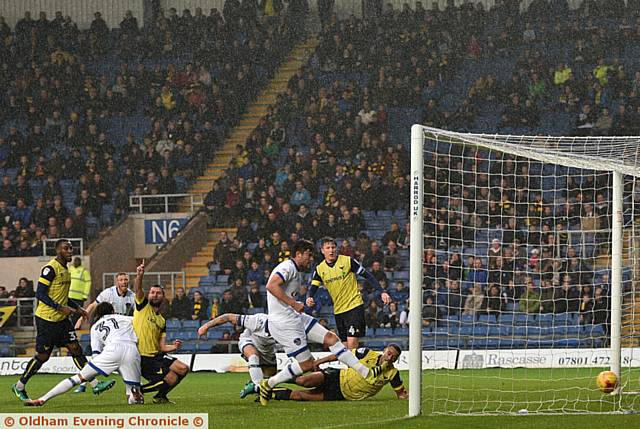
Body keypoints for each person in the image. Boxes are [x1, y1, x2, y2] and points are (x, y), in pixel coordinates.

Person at [258, 240, 380, 406]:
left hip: (295, 317)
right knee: (307, 365)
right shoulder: (287, 267)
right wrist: (294, 303)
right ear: (299, 254)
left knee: (331, 338)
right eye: (308, 255)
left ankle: (365, 372)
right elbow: (271, 286)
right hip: (285, 323)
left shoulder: (295, 269)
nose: (310, 259)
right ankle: (269, 383)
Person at [12, 239, 113, 401]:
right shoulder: (50, 269)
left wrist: (78, 308)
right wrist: (59, 307)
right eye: (66, 248)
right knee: (43, 357)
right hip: (46, 320)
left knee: (75, 349)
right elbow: (40, 294)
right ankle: (19, 386)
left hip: (62, 320)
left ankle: (95, 384)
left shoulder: (66, 270)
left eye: (71, 248)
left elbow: (63, 296)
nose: (70, 251)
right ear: (58, 251)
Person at [25, 302, 143, 406]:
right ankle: (134, 394)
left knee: (77, 378)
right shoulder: (125, 318)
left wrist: (102, 367)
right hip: (131, 349)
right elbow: (141, 324)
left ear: (98, 314)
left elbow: (96, 354)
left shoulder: (95, 327)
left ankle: (43, 399)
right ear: (112, 311)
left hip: (111, 350)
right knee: (132, 389)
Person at [307, 237, 391, 349]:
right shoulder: (319, 269)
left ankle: (354, 366)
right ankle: (355, 364)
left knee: (352, 344)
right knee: (344, 346)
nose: (331, 250)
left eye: (333, 247)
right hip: (338, 310)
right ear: (322, 250)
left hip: (354, 306)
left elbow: (368, 275)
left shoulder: (347, 261)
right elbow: (313, 287)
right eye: (328, 248)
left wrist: (382, 292)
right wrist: (309, 297)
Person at [133, 260, 189, 404]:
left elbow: (162, 346)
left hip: (157, 355)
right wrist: (139, 275)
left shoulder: (162, 320)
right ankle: (138, 391)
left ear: (163, 297)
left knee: (183, 369)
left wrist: (174, 347)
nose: (155, 295)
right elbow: (138, 289)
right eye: (152, 292)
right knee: (171, 378)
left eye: (158, 293)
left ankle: (160, 396)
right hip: (144, 357)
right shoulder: (143, 307)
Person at [272, 344, 407, 402]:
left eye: (393, 357)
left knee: (299, 396)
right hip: (337, 377)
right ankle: (272, 379)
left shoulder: (393, 374)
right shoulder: (367, 353)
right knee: (303, 381)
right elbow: (343, 355)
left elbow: (401, 394)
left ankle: (270, 393)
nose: (389, 358)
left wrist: (409, 398)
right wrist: (320, 361)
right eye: (389, 353)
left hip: (342, 395)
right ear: (384, 350)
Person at [67, 257, 92, 327]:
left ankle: (76, 329)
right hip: (69, 296)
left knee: (77, 316)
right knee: (68, 314)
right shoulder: (70, 269)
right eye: (75, 261)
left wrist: (85, 295)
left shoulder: (84, 271)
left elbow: (88, 283)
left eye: (77, 261)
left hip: (79, 298)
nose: (76, 262)